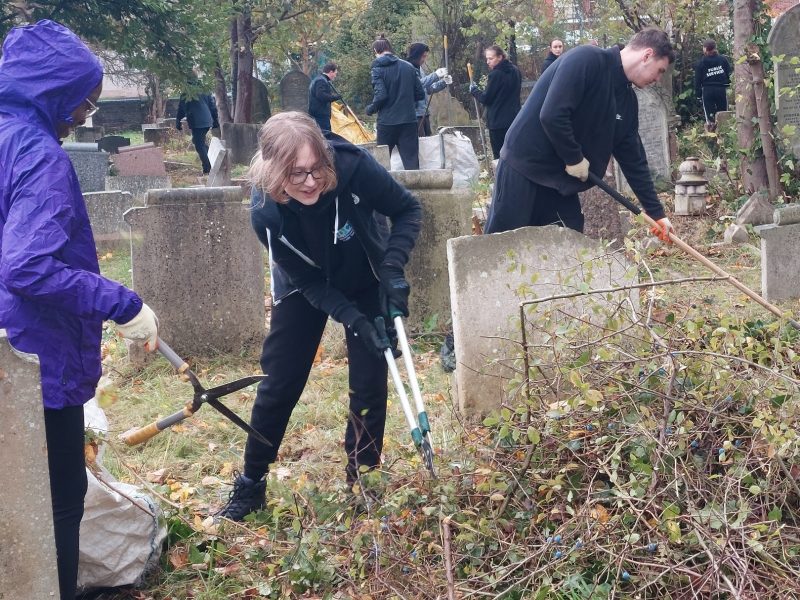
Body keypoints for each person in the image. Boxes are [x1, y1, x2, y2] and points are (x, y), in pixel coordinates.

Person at [0, 20, 159, 600]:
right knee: (58, 498)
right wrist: (122, 301)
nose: (86, 115)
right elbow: (27, 267)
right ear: (53, 90)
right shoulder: (39, 154)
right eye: (84, 101)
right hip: (34, 354)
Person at [217, 111, 421, 521]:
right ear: (274, 173)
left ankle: (363, 479)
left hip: (364, 271)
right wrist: (350, 318)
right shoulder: (266, 213)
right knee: (279, 381)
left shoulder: (352, 167)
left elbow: (408, 210)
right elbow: (310, 284)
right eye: (296, 174)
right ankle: (251, 483)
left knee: (369, 380)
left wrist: (393, 271)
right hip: (304, 282)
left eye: (316, 170)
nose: (310, 182)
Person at [485, 27, 676, 243]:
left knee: (568, 253)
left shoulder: (627, 100)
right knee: (501, 248)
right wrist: (574, 157)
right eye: (660, 70)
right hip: (525, 169)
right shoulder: (586, 59)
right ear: (647, 55)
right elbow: (552, 114)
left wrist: (656, 213)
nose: (658, 79)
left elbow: (633, 158)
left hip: (560, 184)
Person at [366, 35, 425, 169]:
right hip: (409, 121)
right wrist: (407, 101)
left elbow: (381, 96)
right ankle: (414, 189)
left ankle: (383, 190)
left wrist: (371, 109)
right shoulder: (409, 67)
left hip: (387, 123)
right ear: (390, 49)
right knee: (412, 164)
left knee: (382, 165)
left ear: (376, 50)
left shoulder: (377, 70)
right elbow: (420, 94)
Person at [469, 45, 522, 159]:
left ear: (500, 57)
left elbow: (486, 98)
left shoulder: (496, 74)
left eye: (491, 58)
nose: (488, 62)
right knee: (514, 154)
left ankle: (500, 176)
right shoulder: (515, 70)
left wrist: (474, 90)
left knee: (499, 156)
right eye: (487, 59)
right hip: (515, 118)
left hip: (498, 121)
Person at [406, 42, 451, 136]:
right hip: (414, 115)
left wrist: (443, 82)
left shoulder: (420, 69)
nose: (424, 59)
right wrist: (435, 75)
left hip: (424, 113)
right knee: (421, 144)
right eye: (423, 56)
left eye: (426, 56)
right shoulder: (407, 69)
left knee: (428, 143)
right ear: (416, 55)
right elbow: (417, 85)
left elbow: (429, 89)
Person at [176, 89, 219, 174]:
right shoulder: (204, 89)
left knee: (199, 144)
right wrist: (215, 120)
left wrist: (178, 122)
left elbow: (181, 108)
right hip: (206, 120)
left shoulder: (186, 91)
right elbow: (212, 105)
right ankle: (210, 162)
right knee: (199, 142)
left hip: (197, 121)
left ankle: (208, 168)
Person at [694, 39, 731, 132]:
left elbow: (697, 80)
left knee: (710, 118)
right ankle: (724, 134)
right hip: (721, 90)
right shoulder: (723, 60)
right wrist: (727, 83)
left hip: (707, 91)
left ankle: (712, 137)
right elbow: (729, 73)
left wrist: (698, 95)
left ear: (705, 49)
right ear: (715, 48)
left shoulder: (701, 63)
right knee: (723, 115)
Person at [308, 62, 342, 132]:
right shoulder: (321, 80)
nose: (335, 76)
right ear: (331, 72)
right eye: (335, 73)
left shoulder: (319, 79)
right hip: (320, 115)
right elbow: (321, 96)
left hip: (317, 114)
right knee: (325, 136)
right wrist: (335, 97)